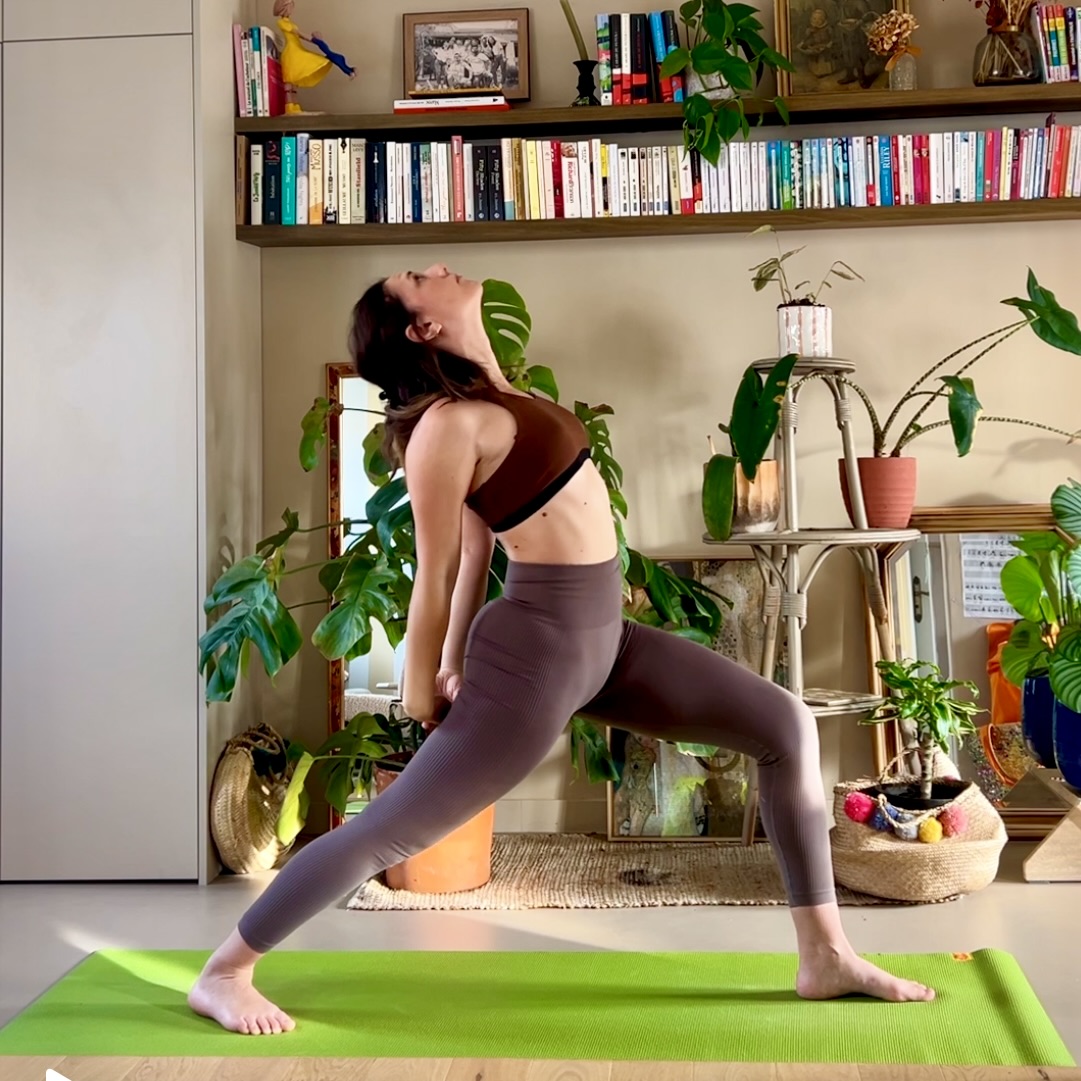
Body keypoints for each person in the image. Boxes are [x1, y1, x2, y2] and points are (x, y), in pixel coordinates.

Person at [188, 264, 936, 1036]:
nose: (438, 266)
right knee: (391, 829)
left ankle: (824, 956)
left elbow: (482, 550)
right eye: (417, 277)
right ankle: (224, 971)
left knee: (785, 725)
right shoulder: (447, 426)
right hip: (536, 656)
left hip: (602, 639)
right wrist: (422, 691)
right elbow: (436, 572)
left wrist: (451, 661)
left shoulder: (503, 398)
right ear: (420, 327)